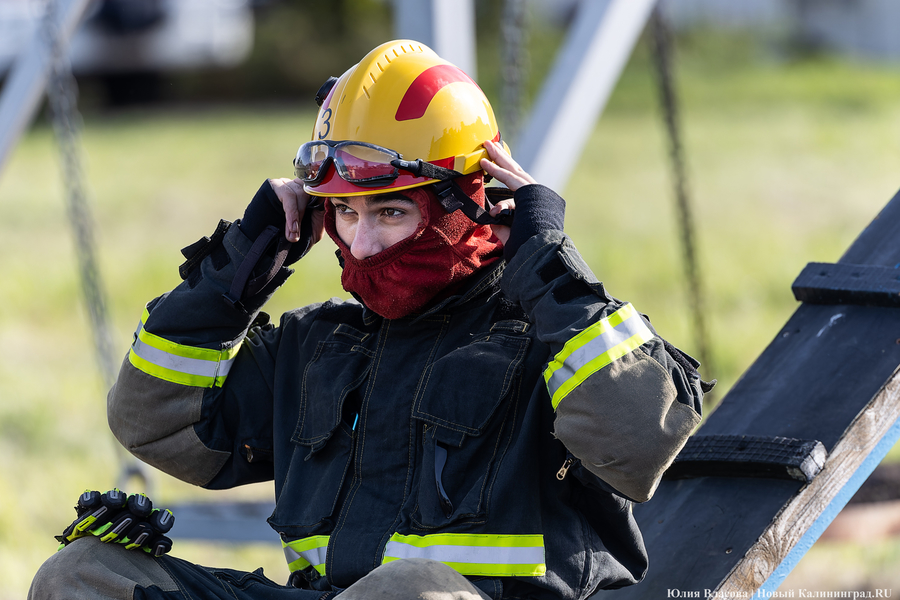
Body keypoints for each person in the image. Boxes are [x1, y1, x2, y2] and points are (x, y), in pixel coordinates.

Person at [30, 39, 707, 600]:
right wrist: (237, 271)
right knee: (82, 574)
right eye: (345, 213)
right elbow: (152, 423)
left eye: (391, 211)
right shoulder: (315, 343)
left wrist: (548, 264)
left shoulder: (558, 335)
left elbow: (639, 446)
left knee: (407, 590)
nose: (363, 243)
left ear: (468, 203)